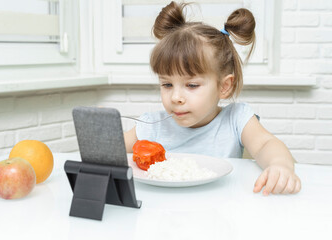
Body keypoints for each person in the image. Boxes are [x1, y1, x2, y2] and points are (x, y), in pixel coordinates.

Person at [124, 1, 301, 196]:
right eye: (167, 84)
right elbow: (112, 148)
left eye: (191, 85)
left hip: (220, 211)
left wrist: (279, 166)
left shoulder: (236, 119)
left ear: (224, 86)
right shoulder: (153, 125)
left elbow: (266, 144)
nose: (175, 97)